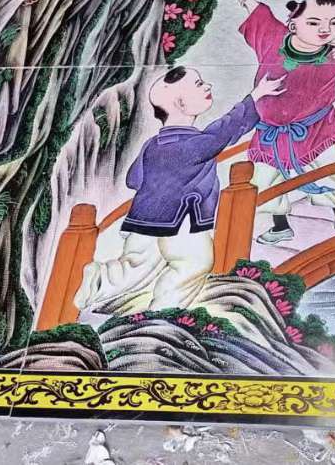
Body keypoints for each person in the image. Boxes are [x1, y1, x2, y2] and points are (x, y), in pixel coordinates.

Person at [80, 67, 283, 313]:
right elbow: (225, 130)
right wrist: (254, 98)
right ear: (180, 103)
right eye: (198, 84)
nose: (207, 86)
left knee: (133, 266)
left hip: (142, 219)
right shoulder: (194, 144)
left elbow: (133, 180)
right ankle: (162, 310)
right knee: (195, 263)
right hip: (181, 219)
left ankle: (97, 280)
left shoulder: (152, 144)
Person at [233, 0, 335, 245]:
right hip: (271, 134)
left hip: (319, 130)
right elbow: (261, 17)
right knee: (264, 180)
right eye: (314, 23)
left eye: (334, 23)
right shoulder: (274, 39)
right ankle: (280, 225)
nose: (325, 30)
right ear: (293, 24)